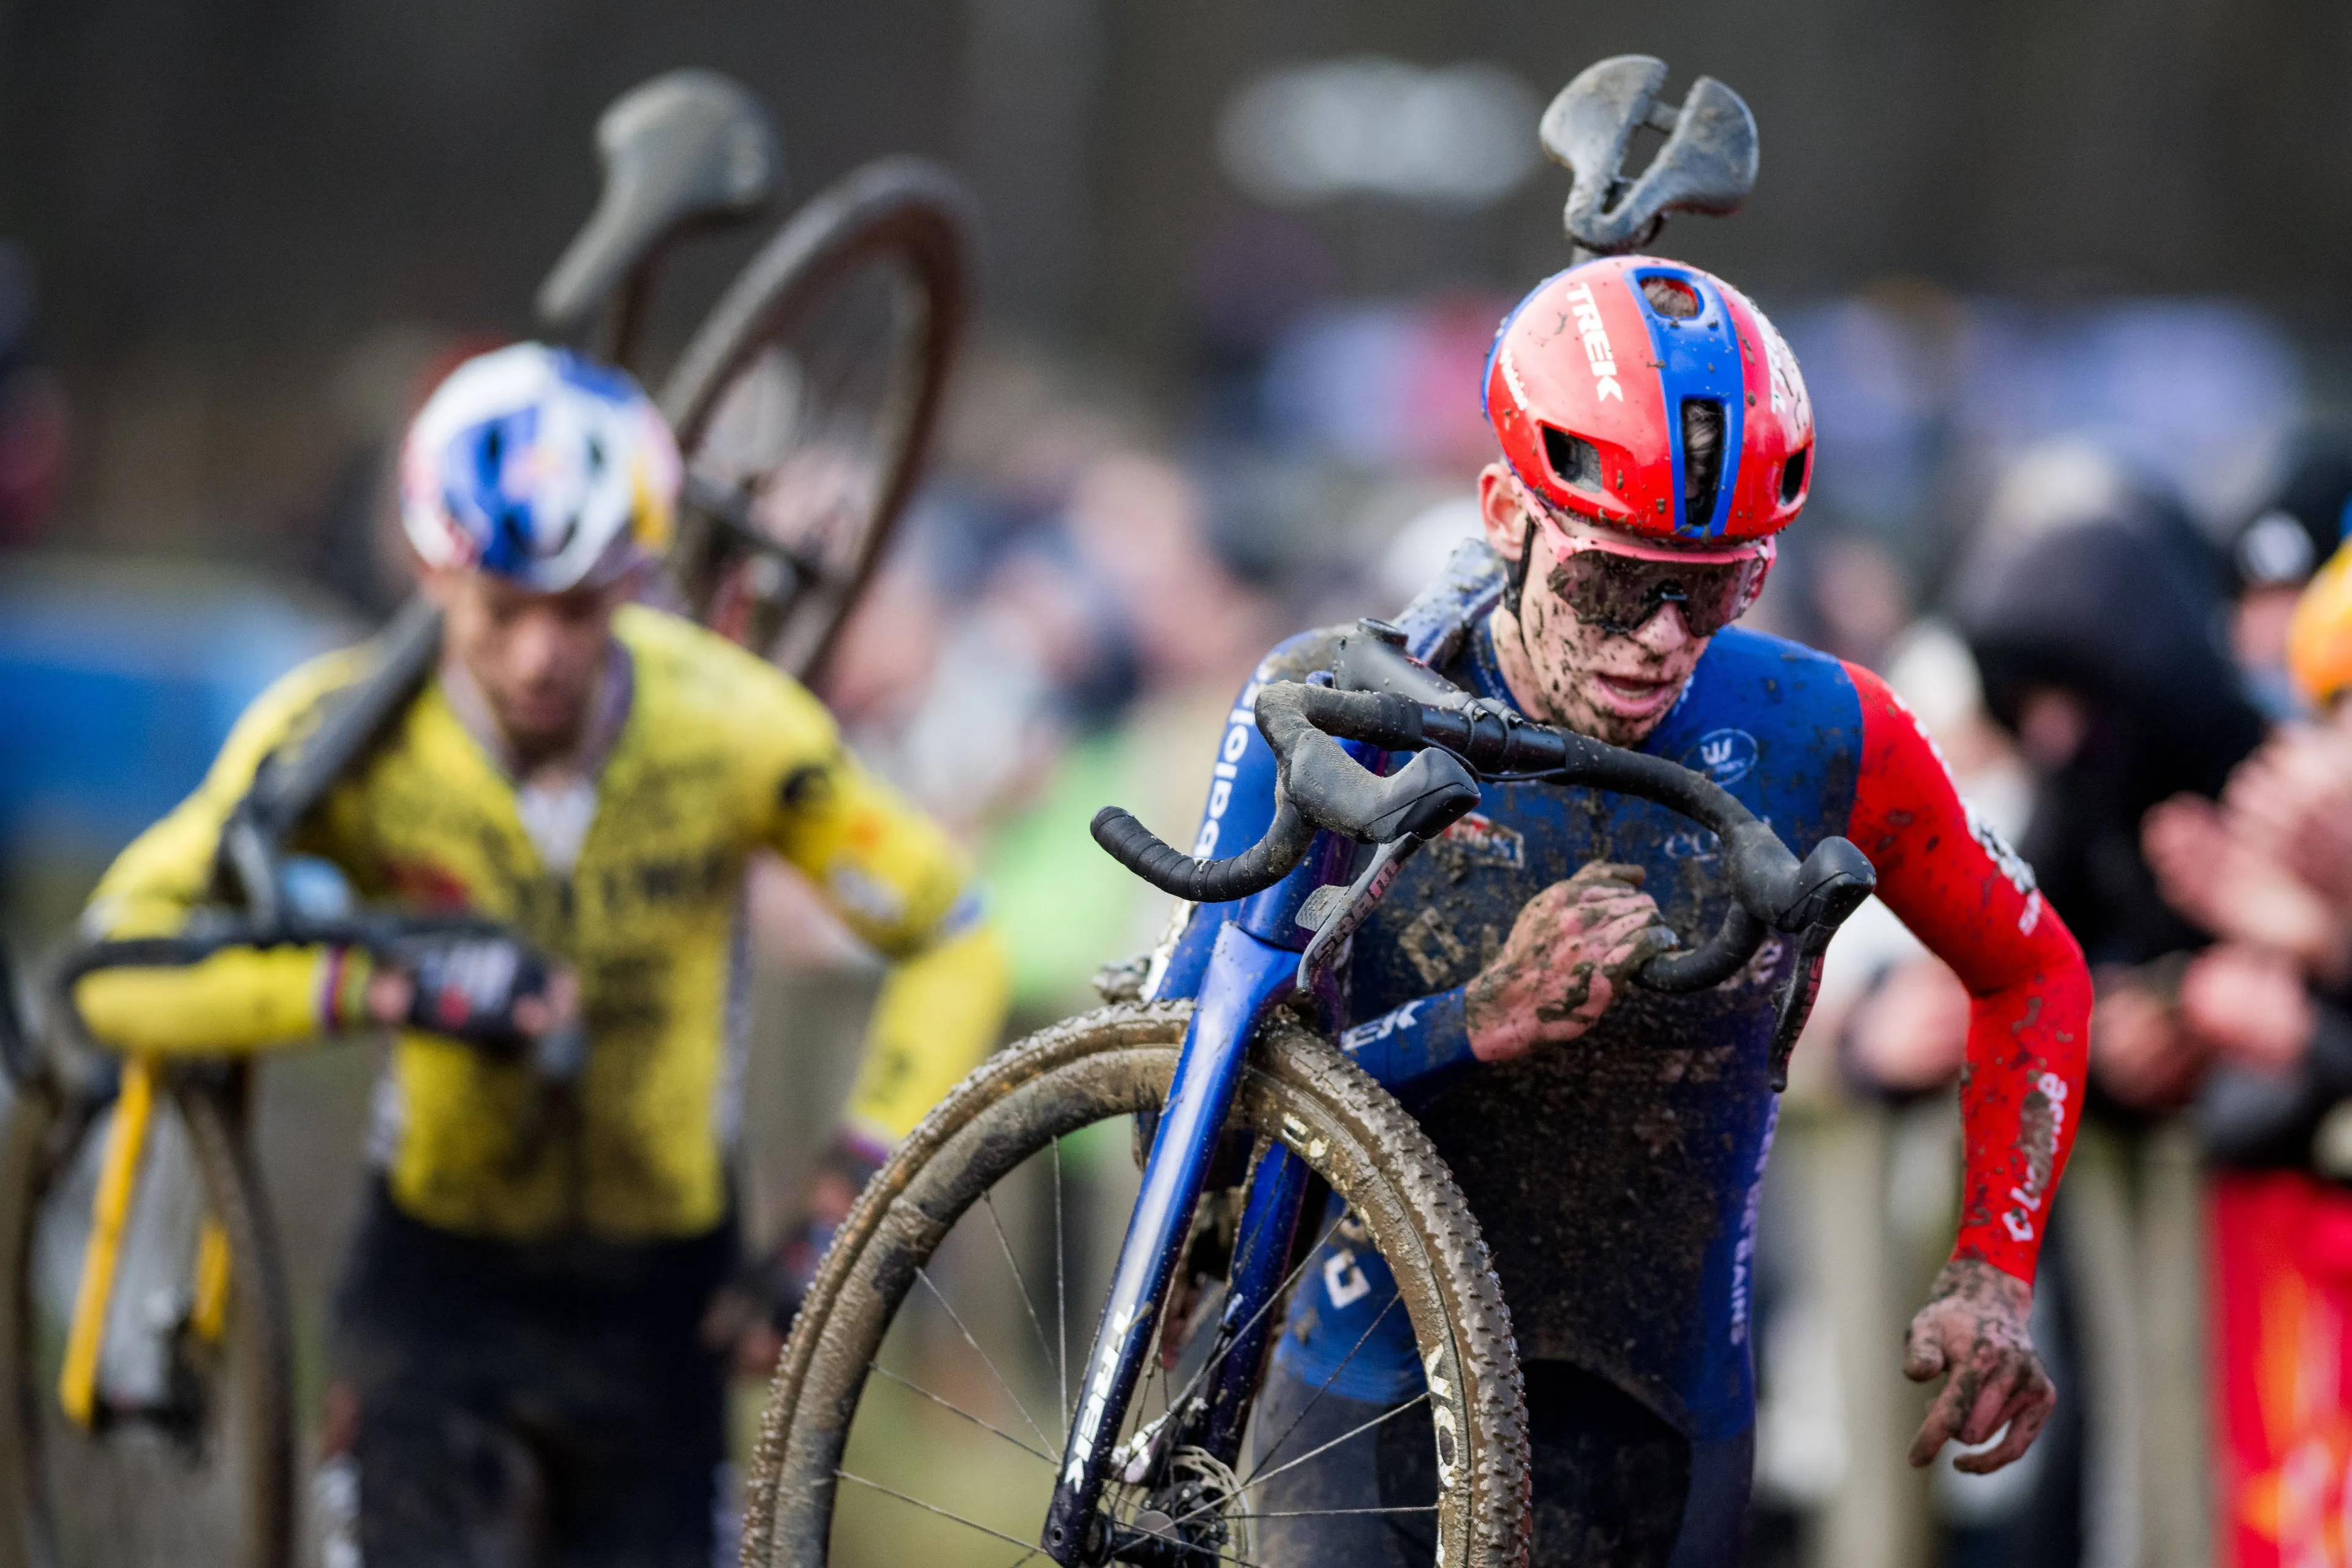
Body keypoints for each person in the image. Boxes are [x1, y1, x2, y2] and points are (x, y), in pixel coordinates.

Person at [1147, 257, 2093, 1565]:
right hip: (1365, 1403)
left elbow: (2035, 971)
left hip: (1666, 1427)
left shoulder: (1826, 729)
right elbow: (1175, 1103)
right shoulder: (1346, 707)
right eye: (1612, 581)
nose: (1659, 637)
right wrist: (1468, 1022)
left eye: (1714, 589)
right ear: (1505, 515)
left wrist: (1993, 1266)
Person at [69, 344, 1009, 1567]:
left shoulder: (729, 725)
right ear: (434, 573)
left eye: (576, 610)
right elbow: (116, 965)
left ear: (632, 581)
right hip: (437, 1288)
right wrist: (375, 985)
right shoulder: (345, 734)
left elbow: (950, 934)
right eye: (501, 610)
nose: (537, 655)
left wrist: (847, 1199)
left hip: (661, 1308)